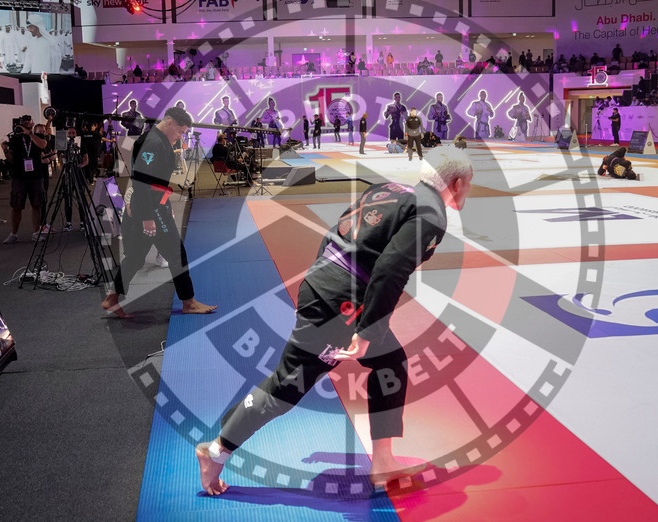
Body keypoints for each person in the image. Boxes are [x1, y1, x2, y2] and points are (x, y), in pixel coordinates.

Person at [195, 147, 474, 495]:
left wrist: (320, 286)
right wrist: (366, 331)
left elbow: (337, 231)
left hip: (331, 291)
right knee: (286, 387)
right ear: (457, 183)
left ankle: (383, 461)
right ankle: (216, 451)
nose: (467, 190)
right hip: (339, 305)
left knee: (390, 362)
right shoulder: (431, 213)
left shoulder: (388, 190)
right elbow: (390, 272)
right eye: (468, 184)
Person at [102, 107, 217, 319]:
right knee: (176, 253)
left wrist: (165, 205)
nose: (180, 136)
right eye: (180, 131)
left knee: (136, 256)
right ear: (169, 122)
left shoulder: (159, 140)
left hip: (154, 205)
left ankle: (112, 298)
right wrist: (148, 218)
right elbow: (142, 181)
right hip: (150, 209)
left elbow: (156, 181)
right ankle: (189, 302)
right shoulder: (152, 142)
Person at [3, 115, 48, 243]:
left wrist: (30, 134)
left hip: (36, 176)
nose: (26, 123)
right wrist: (5, 151)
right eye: (24, 122)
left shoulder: (38, 136)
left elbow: (42, 145)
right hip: (19, 176)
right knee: (16, 205)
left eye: (28, 121)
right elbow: (10, 159)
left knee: (37, 205)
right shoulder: (15, 138)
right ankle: (14, 234)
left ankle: (36, 232)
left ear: (32, 123)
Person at [60, 127, 89, 231]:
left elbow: (86, 160)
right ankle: (68, 223)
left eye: (73, 132)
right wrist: (65, 167)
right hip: (68, 175)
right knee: (67, 199)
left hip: (79, 175)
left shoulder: (82, 145)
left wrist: (79, 166)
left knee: (81, 198)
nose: (71, 135)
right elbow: (61, 159)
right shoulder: (64, 145)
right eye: (69, 133)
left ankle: (83, 222)